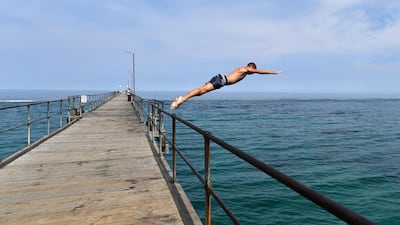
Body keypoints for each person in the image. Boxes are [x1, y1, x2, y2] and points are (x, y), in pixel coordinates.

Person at [170, 62, 282, 109]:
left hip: (220, 80)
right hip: (221, 80)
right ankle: (182, 99)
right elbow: (259, 71)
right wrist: (274, 72)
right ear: (251, 67)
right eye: (253, 70)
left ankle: (181, 99)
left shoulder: (244, 72)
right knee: (200, 90)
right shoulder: (245, 68)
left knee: (200, 92)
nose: (253, 72)